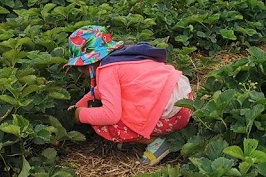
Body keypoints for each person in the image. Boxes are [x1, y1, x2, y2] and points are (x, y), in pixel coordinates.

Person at [66, 26, 192, 163]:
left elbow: (110, 115)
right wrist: (77, 106)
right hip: (186, 106)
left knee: (104, 123)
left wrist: (79, 115)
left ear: (88, 64)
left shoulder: (107, 70)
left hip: (171, 119)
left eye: (80, 69)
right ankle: (168, 132)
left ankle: (157, 142)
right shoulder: (125, 57)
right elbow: (99, 91)